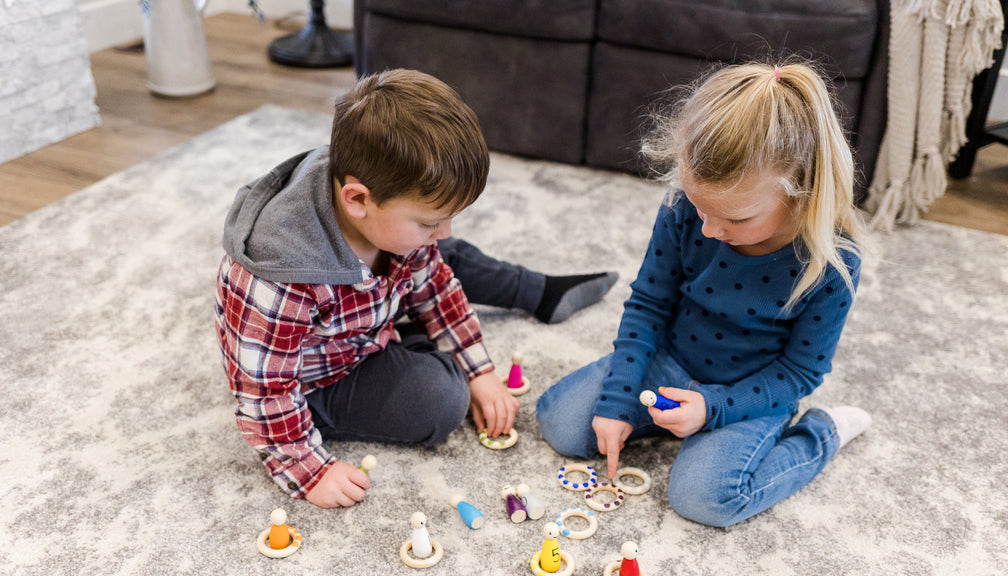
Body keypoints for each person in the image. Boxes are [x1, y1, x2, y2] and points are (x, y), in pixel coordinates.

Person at [215, 69, 616, 508]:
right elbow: (263, 394)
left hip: (367, 310)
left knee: (447, 255)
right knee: (440, 399)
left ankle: (537, 290)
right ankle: (430, 336)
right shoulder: (277, 280)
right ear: (357, 200)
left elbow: (439, 287)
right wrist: (309, 472)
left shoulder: (382, 207)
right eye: (430, 220)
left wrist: (479, 369)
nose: (443, 230)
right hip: (319, 377)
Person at [536, 60, 872, 528]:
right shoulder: (682, 208)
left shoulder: (833, 263)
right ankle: (669, 419)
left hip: (750, 389)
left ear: (799, 191)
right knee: (561, 422)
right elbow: (649, 305)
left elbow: (799, 371)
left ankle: (821, 434)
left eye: (735, 220)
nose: (711, 229)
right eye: (701, 207)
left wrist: (715, 409)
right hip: (672, 360)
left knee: (704, 499)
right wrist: (617, 400)